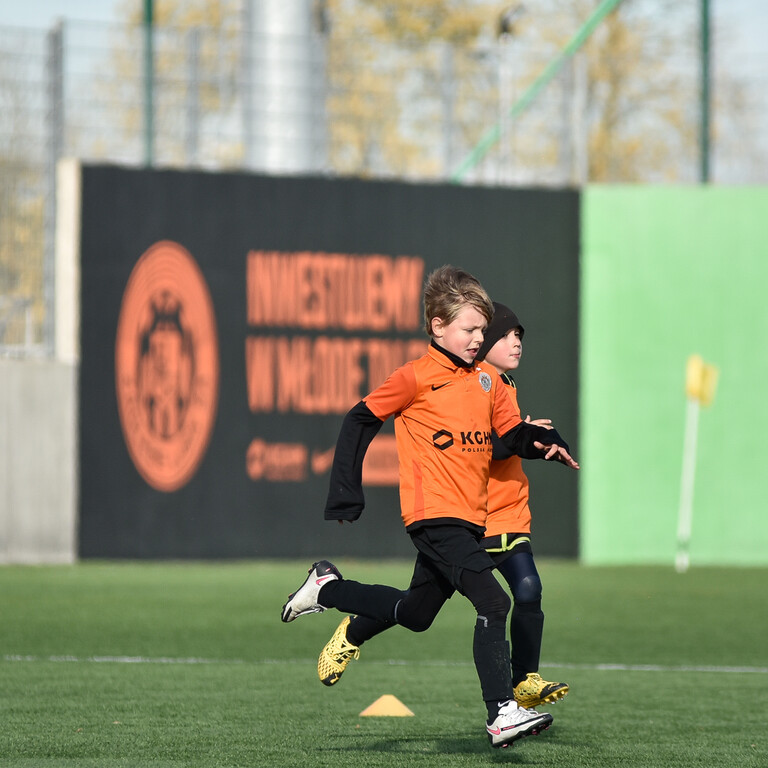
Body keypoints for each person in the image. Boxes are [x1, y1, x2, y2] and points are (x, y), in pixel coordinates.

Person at [280, 266, 579, 749]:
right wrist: (344, 491)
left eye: (483, 330)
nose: (479, 338)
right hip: (433, 517)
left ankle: (328, 589)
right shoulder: (415, 377)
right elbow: (359, 418)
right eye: (470, 329)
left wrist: (543, 438)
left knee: (415, 613)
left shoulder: (488, 381)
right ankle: (501, 713)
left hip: (470, 517)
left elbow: (511, 435)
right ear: (437, 326)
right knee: (494, 601)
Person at [475, 302, 569, 708]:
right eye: (507, 334)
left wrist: (548, 441)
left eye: (519, 335)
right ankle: (355, 628)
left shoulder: (506, 385)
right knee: (415, 609)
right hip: (471, 519)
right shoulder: (474, 382)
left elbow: (510, 440)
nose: (516, 341)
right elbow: (485, 445)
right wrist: (523, 437)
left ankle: (524, 680)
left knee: (529, 589)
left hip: (509, 512)